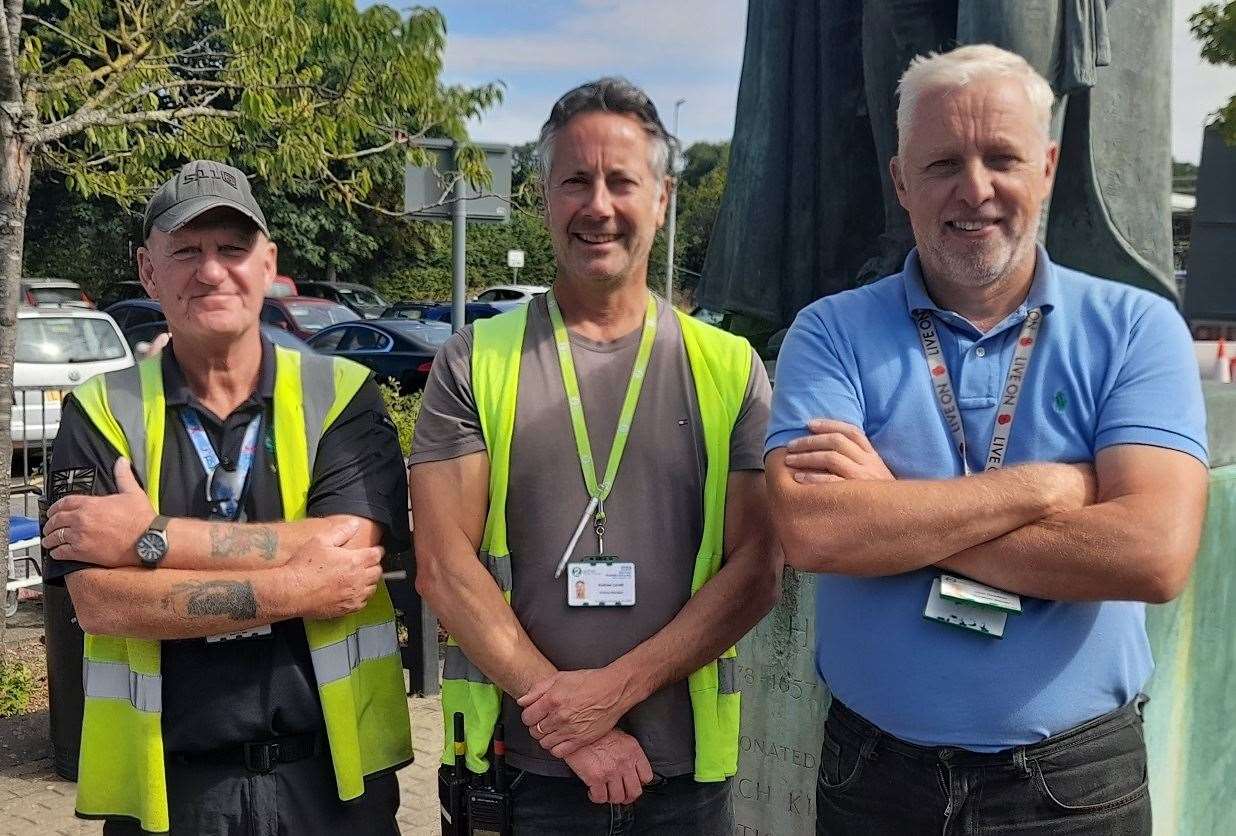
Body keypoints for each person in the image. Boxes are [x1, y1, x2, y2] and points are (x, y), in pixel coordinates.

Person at [764, 45, 1209, 835]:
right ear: (902, 181)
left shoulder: (1138, 329)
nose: (975, 190)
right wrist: (1042, 488)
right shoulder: (829, 332)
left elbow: (1152, 554)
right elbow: (813, 529)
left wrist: (892, 515)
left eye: (1002, 158)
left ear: (1046, 167)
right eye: (942, 163)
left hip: (1075, 786)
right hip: (875, 775)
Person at [409, 78, 780, 833]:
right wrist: (571, 728)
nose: (599, 205)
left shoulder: (731, 368)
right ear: (545, 196)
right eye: (575, 181)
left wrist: (610, 694)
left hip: (683, 781)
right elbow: (444, 568)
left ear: (664, 198)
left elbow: (757, 571)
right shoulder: (473, 361)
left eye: (622, 181)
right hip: (516, 773)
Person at [42, 160, 414, 834]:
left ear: (268, 263)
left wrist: (150, 539)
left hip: (332, 787)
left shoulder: (341, 397)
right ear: (148, 271)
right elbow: (100, 602)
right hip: (170, 792)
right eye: (186, 251)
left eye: (232, 249)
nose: (211, 271)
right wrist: (298, 587)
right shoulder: (100, 412)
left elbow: (349, 553)